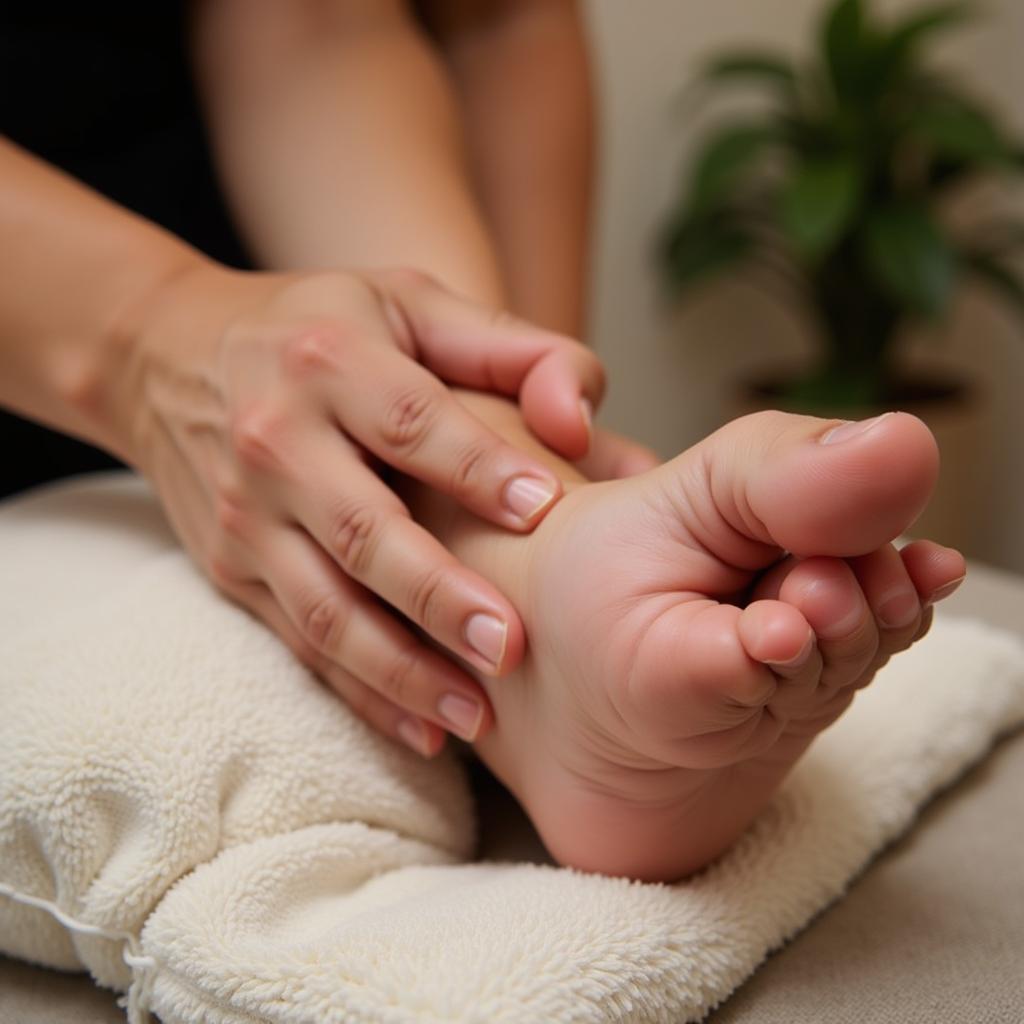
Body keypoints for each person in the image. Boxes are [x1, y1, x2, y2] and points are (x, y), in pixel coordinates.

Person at [1, 0, 966, 882]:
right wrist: (149, 336)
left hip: (300, 324)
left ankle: (542, 615)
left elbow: (340, 24)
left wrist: (512, 444)